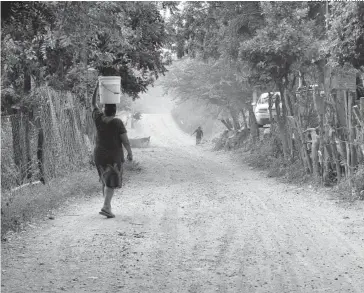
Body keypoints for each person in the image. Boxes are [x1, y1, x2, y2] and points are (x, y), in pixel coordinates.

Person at [91, 82, 133, 218]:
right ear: (115, 112)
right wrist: (130, 153)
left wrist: (96, 88)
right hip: (113, 157)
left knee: (105, 179)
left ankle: (107, 205)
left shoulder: (98, 119)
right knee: (111, 181)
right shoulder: (117, 122)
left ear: (104, 110)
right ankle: (106, 207)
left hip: (99, 156)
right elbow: (125, 140)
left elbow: (93, 104)